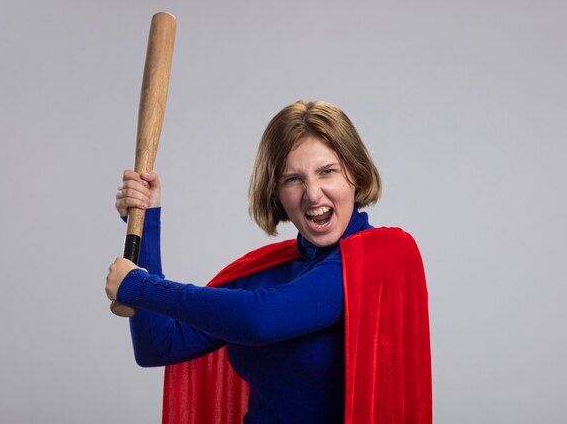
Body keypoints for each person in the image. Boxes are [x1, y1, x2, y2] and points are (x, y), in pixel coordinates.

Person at [106, 101, 432, 423]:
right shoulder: (263, 272)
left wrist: (140, 286)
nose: (313, 194)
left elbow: (262, 319)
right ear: (275, 192)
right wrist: (146, 223)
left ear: (356, 176)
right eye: (293, 179)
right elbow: (160, 345)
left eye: (327, 171)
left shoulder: (385, 254)